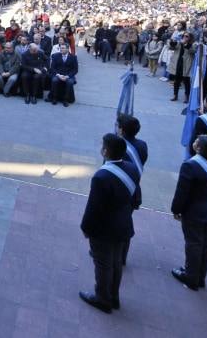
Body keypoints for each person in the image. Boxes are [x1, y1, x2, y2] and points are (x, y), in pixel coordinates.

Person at [79, 133, 141, 314]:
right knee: (115, 261)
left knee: (103, 263)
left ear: (105, 151)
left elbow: (94, 207)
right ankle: (114, 297)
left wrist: (86, 227)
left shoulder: (102, 176)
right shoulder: (131, 168)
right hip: (123, 223)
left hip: (104, 228)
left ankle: (102, 298)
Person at [170, 135, 207, 291]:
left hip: (194, 211)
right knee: (206, 244)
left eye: (196, 142)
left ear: (199, 149)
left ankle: (191, 277)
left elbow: (182, 191)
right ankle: (200, 277)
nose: (193, 142)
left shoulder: (190, 166)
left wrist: (176, 209)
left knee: (193, 243)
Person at [115, 115, 147, 266]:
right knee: (125, 222)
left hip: (117, 191)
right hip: (134, 190)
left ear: (121, 130)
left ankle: (111, 253)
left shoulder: (116, 145)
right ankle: (122, 256)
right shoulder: (142, 145)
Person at [49, 42, 78, 106]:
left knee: (70, 82)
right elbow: (53, 68)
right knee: (54, 80)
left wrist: (67, 76)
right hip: (58, 74)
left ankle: (66, 99)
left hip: (68, 75)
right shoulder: (56, 56)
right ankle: (54, 98)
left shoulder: (73, 57)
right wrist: (58, 75)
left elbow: (75, 70)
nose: (61, 50)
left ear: (67, 49)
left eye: (63, 48)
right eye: (60, 48)